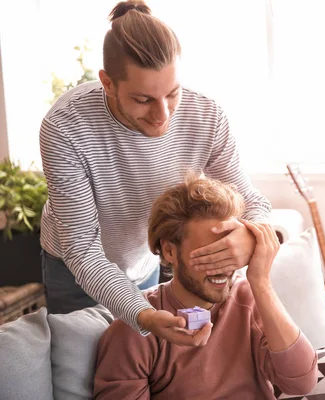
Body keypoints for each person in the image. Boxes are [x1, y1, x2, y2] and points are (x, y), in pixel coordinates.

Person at [39, 0, 271, 346]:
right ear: (107, 83)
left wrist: (253, 236)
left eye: (172, 93)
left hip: (143, 264)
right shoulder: (66, 127)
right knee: (81, 373)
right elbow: (83, 248)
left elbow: (253, 202)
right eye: (143, 100)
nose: (163, 115)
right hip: (74, 270)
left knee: (143, 360)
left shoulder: (206, 116)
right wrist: (142, 313)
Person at [93, 175, 317, 399]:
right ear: (170, 251)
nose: (223, 269)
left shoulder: (250, 299)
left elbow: (302, 383)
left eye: (228, 252)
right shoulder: (136, 327)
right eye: (210, 255)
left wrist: (261, 283)